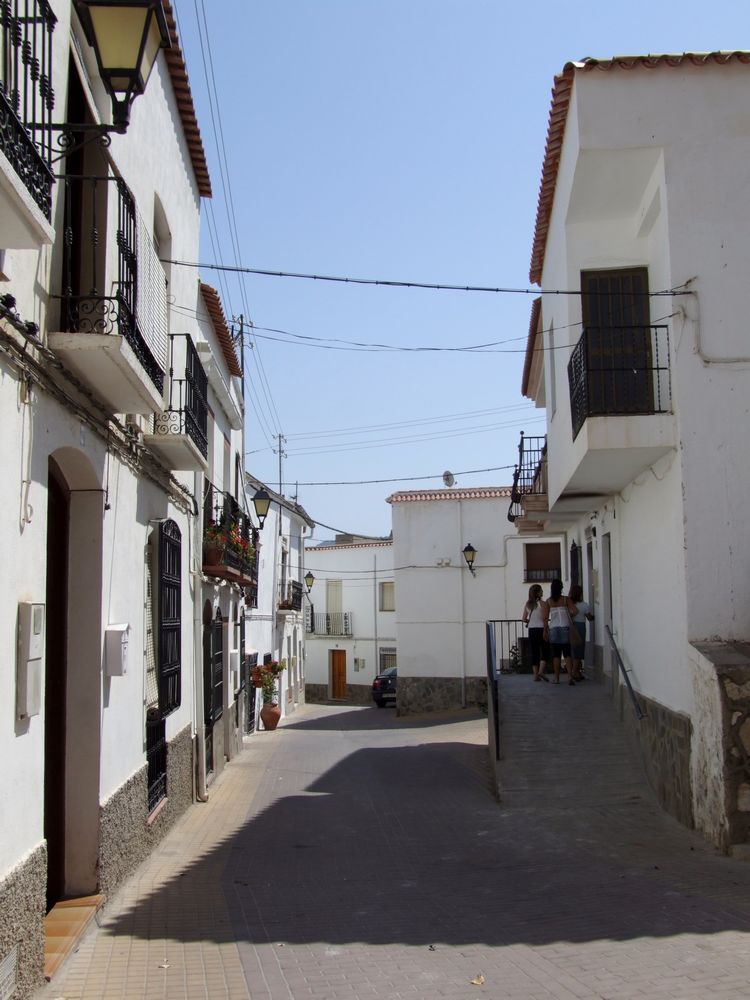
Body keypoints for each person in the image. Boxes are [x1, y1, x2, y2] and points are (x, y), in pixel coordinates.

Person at [542, 578, 579, 685]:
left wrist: (545, 630)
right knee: (567, 654)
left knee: (556, 655)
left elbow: (545, 618)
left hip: (553, 628)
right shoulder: (566, 600)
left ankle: (557, 678)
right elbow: (575, 611)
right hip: (565, 628)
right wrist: (569, 615)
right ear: (561, 588)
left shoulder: (548, 601)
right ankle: (570, 676)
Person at [522, 584, 549, 682]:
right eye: (541, 590)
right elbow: (545, 618)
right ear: (538, 593)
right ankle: (541, 671)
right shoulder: (543, 603)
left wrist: (530, 621)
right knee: (545, 651)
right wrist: (546, 630)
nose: (543, 592)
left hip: (532, 630)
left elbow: (524, 619)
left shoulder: (528, 604)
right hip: (541, 629)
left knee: (534, 652)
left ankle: (535, 676)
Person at [568, 583, 594, 681]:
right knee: (579, 650)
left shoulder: (569, 605)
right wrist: (593, 616)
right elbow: (589, 617)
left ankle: (577, 672)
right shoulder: (584, 605)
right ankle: (574, 673)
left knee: (573, 650)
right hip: (580, 626)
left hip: (571, 627)